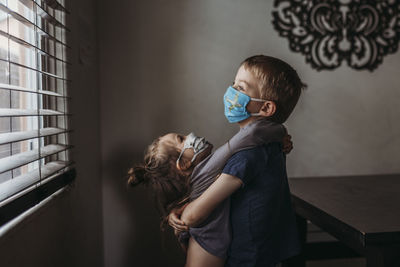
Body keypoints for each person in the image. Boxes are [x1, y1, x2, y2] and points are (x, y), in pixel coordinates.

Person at [168, 55, 305, 267]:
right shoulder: (271, 143)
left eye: (240, 88)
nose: (230, 92)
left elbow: (195, 215)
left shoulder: (247, 156)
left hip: (248, 257)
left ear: (266, 108)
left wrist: (180, 218)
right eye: (233, 84)